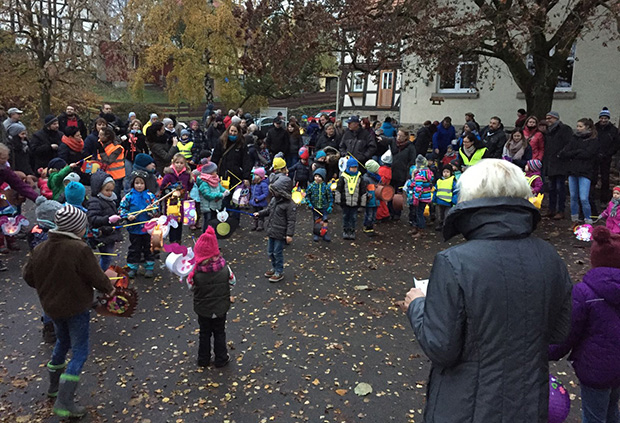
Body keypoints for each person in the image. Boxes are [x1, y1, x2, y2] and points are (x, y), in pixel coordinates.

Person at [400, 158, 572, 423]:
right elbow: (559, 331)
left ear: (469, 197)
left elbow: (441, 347)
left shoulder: (454, 261)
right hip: (528, 401)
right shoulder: (549, 256)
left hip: (466, 404)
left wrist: (417, 305)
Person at [23, 205, 115, 418]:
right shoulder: (79, 249)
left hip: (52, 307)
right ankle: (65, 402)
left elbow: (29, 276)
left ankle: (54, 387)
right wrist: (108, 289)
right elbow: (96, 276)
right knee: (80, 351)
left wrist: (47, 287)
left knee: (62, 343)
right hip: (76, 307)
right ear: (76, 228)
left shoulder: (41, 248)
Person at [549, 226, 620, 423]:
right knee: (612, 407)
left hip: (596, 369)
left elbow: (569, 330)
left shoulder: (584, 292)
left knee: (593, 415)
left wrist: (550, 351)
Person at [188, 226, 235, 368]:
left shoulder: (195, 272)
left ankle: (203, 359)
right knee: (220, 332)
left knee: (204, 333)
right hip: (221, 307)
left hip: (203, 309)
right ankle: (221, 358)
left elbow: (191, 287)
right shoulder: (225, 268)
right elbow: (233, 281)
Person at [28, 196, 64, 343]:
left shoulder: (37, 231)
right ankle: (49, 326)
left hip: (44, 273)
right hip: (48, 273)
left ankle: (52, 322)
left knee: (51, 299)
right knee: (51, 300)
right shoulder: (44, 236)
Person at [255, 175, 296, 283]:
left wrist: (289, 235)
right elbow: (268, 210)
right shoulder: (274, 200)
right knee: (270, 252)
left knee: (277, 252)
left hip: (280, 232)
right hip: (272, 230)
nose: (273, 193)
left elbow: (291, 221)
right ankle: (274, 268)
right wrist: (259, 213)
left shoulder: (289, 205)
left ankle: (279, 271)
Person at [559, 117, 599, 228]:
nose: (578, 128)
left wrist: (574, 154)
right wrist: (578, 152)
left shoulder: (593, 140)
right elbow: (564, 153)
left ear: (587, 127)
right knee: (573, 197)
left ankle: (588, 219)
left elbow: (588, 154)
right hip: (573, 171)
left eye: (580, 126)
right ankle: (575, 219)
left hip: (585, 172)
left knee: (584, 198)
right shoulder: (574, 138)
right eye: (577, 126)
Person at [119, 170, 157, 278]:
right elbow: (121, 209)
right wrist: (127, 216)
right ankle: (132, 267)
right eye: (137, 183)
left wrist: (152, 210)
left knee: (148, 248)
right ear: (133, 183)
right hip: (134, 228)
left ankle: (149, 266)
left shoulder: (150, 196)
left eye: (141, 183)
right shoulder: (128, 196)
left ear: (145, 184)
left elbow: (157, 211)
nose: (139, 186)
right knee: (134, 248)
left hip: (148, 228)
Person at [211, 124, 252, 216]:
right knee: (224, 197)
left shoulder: (242, 144)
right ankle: (223, 216)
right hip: (223, 174)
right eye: (231, 131)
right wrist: (212, 173)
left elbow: (246, 161)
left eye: (235, 132)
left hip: (236, 175)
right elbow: (215, 158)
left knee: (236, 198)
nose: (232, 133)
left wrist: (246, 176)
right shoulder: (221, 142)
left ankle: (235, 218)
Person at [87, 170, 123, 270]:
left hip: (109, 233)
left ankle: (103, 272)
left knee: (108, 256)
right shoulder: (95, 202)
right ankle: (101, 274)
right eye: (107, 190)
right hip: (102, 234)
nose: (110, 193)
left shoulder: (109, 199)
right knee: (106, 257)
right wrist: (108, 220)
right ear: (98, 189)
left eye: (112, 190)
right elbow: (92, 219)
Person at [544, 111, 573, 220]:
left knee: (560, 188)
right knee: (551, 188)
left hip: (561, 163)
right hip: (551, 163)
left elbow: (569, 144)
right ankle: (551, 209)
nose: (548, 120)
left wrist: (561, 154)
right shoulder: (549, 131)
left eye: (550, 118)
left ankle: (561, 210)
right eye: (547, 118)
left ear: (556, 118)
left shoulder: (565, 129)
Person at [160, 153, 193, 243]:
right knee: (172, 222)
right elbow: (162, 187)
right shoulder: (169, 175)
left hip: (181, 202)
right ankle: (173, 241)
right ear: (173, 163)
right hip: (171, 203)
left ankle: (178, 240)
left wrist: (185, 193)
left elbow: (190, 185)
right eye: (177, 162)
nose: (179, 165)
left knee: (179, 222)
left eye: (181, 163)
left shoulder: (186, 175)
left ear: (185, 164)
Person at [594, 107, 620, 205]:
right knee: (593, 177)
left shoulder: (613, 130)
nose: (603, 120)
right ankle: (591, 197)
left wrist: (608, 153)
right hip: (595, 156)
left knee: (605, 178)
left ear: (608, 119)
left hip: (606, 157)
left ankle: (604, 199)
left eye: (605, 118)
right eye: (602, 118)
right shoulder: (595, 128)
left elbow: (616, 144)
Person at [337, 157, 366, 240]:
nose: (354, 169)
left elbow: (363, 191)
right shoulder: (343, 177)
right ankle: (345, 230)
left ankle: (352, 231)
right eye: (352, 167)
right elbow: (338, 189)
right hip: (345, 202)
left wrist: (363, 203)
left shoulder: (360, 178)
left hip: (355, 202)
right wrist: (338, 201)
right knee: (346, 217)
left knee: (353, 218)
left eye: (355, 167)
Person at [194, 161, 228, 232]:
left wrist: (225, 191)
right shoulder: (204, 183)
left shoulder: (215, 180)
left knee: (213, 220)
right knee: (208, 221)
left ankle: (212, 234)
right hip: (207, 206)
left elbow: (220, 188)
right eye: (214, 171)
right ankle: (206, 234)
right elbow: (207, 195)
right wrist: (220, 195)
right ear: (209, 172)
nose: (216, 172)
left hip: (215, 205)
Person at [405, 155, 433, 238]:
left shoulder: (419, 175)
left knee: (419, 213)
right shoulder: (428, 173)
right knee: (419, 212)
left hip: (421, 197)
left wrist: (416, 198)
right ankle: (417, 227)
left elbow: (418, 188)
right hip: (426, 196)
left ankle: (421, 230)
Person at [96, 127, 126, 202]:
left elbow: (108, 161)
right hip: (104, 174)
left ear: (107, 137)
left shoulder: (117, 148)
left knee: (114, 196)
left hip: (116, 176)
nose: (99, 136)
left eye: (101, 135)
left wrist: (101, 151)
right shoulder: (100, 144)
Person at [305, 168, 333, 242]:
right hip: (315, 207)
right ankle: (316, 233)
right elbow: (307, 196)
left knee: (325, 221)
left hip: (324, 207)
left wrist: (330, 205)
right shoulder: (311, 186)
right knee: (317, 221)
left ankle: (324, 233)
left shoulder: (326, 187)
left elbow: (330, 197)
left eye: (319, 177)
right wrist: (309, 203)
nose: (317, 178)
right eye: (316, 176)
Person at [122, 119, 149, 192]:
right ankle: (127, 191)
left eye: (138, 125)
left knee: (136, 175)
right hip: (128, 157)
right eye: (135, 125)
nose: (136, 127)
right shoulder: (127, 136)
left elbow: (144, 146)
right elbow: (124, 146)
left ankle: (135, 190)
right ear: (132, 126)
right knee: (128, 175)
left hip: (137, 158)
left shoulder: (142, 136)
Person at [432, 165, 458, 231]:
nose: (445, 173)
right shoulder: (439, 181)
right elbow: (435, 191)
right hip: (439, 201)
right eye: (444, 172)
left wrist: (454, 201)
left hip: (448, 202)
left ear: (451, 173)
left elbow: (455, 192)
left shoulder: (453, 181)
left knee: (447, 215)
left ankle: (447, 226)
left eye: (447, 172)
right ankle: (441, 224)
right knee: (440, 215)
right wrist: (434, 199)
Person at [362, 159, 381, 236]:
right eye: (377, 169)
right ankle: (367, 227)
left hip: (376, 199)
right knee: (369, 214)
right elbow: (363, 189)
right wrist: (367, 196)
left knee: (373, 215)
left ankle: (371, 227)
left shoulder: (378, 178)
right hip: (370, 200)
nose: (378, 170)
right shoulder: (366, 179)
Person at [249, 167, 269, 232]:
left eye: (256, 175)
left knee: (260, 214)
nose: (254, 176)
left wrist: (259, 198)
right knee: (254, 214)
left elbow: (266, 193)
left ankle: (260, 225)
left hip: (260, 202)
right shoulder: (254, 184)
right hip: (254, 202)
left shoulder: (263, 184)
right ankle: (255, 224)